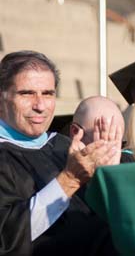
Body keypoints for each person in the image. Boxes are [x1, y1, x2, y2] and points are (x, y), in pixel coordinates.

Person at [0, 50, 119, 255]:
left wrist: (106, 181)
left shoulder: (66, 146)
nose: (40, 106)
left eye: (48, 93)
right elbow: (7, 237)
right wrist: (69, 179)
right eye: (26, 93)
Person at [71, 96, 135, 164]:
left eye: (119, 143)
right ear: (75, 132)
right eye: (105, 140)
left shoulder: (131, 163)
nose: (113, 152)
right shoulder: (60, 167)